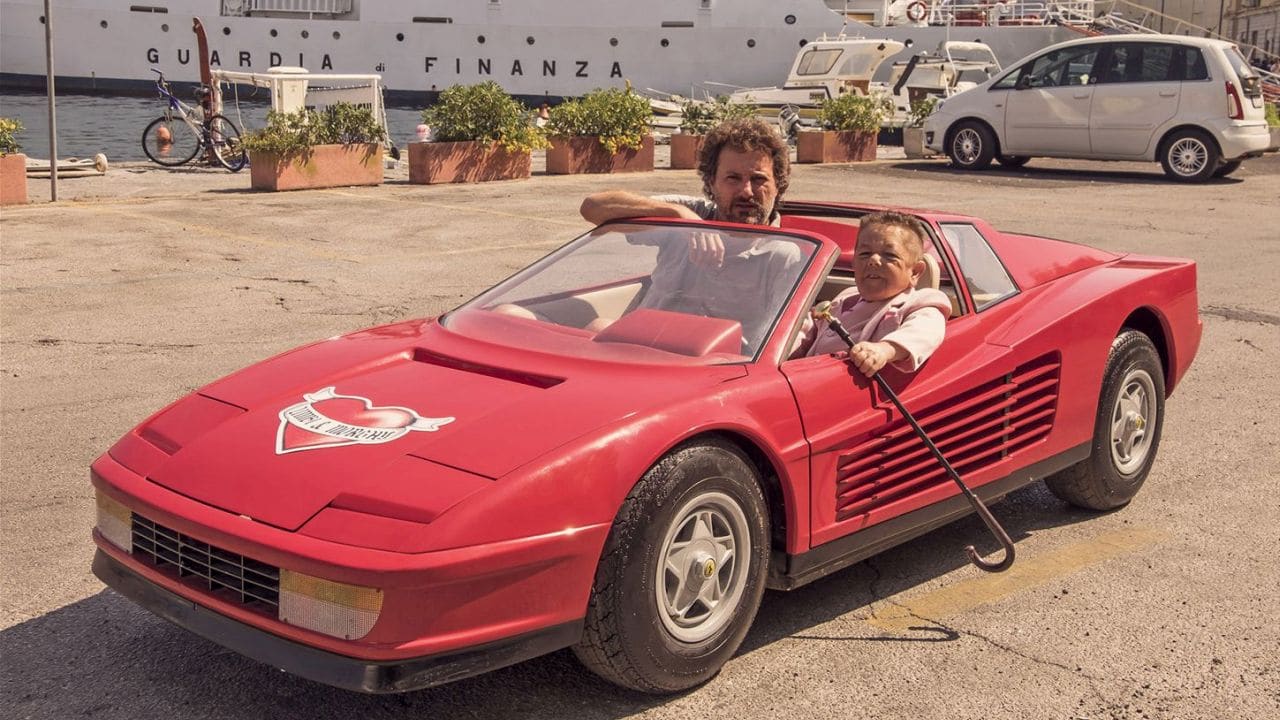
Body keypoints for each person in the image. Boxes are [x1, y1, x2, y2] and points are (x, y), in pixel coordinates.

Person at [577, 117, 802, 348]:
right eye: (733, 178)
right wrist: (680, 216)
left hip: (713, 363)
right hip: (638, 347)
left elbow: (777, 343)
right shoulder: (689, 213)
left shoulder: (783, 254)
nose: (746, 191)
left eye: (758, 179)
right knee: (597, 326)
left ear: (778, 185)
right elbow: (593, 208)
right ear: (712, 182)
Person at [791, 210, 951, 376]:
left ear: (915, 272)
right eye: (865, 254)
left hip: (854, 383)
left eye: (890, 255)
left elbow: (924, 332)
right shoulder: (845, 298)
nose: (873, 260)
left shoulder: (920, 304)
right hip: (806, 376)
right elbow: (804, 332)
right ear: (854, 263)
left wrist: (884, 350)